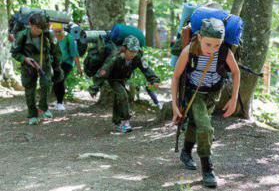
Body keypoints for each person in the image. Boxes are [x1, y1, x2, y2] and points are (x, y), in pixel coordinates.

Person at [171, 18, 240, 187]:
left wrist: (233, 99)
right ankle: (207, 168)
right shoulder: (189, 50)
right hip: (194, 92)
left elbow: (236, 73)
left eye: (217, 45)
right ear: (200, 37)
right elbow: (176, 76)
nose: (212, 49)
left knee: (196, 123)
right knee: (205, 127)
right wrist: (174, 105)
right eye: (208, 44)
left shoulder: (224, 52)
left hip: (213, 94)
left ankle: (186, 152)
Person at [91, 35, 160, 133]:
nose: (133, 54)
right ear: (124, 49)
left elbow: (146, 68)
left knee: (120, 97)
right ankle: (125, 122)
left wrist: (154, 79)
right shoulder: (115, 57)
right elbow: (104, 71)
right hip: (113, 79)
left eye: (135, 51)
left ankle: (116, 121)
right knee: (123, 95)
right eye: (131, 51)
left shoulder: (138, 57)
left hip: (123, 79)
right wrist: (95, 86)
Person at [11, 13, 63, 125]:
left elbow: (56, 51)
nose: (38, 31)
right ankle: (32, 115)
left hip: (45, 64)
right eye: (36, 27)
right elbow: (14, 53)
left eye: (40, 28)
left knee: (46, 84)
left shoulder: (48, 35)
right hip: (28, 66)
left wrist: (57, 67)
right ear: (30, 24)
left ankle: (43, 107)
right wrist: (25, 59)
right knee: (30, 90)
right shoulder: (21, 35)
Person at [51, 22, 83, 111]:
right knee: (55, 81)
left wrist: (79, 68)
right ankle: (58, 101)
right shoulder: (52, 38)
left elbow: (75, 54)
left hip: (67, 63)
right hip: (56, 63)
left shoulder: (69, 38)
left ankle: (60, 103)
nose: (57, 33)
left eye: (59, 31)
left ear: (63, 30)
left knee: (60, 80)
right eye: (55, 31)